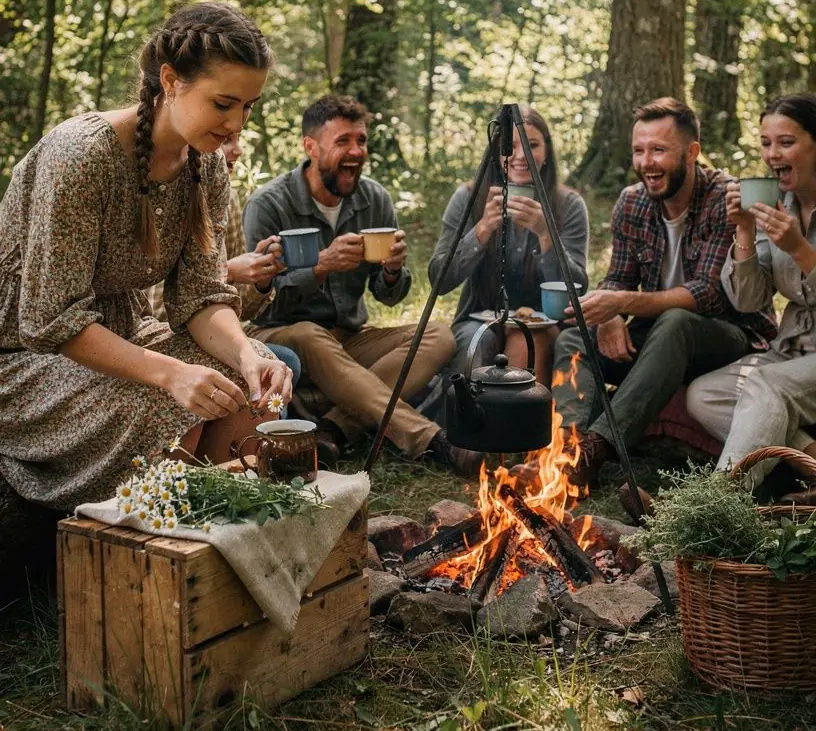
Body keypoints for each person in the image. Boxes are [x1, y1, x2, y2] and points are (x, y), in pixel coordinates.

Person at [0, 2, 292, 511]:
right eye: (223, 103)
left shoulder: (207, 167)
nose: (236, 125)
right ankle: (149, 547)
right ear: (170, 80)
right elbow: (49, 319)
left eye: (248, 106)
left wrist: (247, 355)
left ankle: (209, 536)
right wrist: (171, 374)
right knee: (164, 401)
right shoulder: (80, 156)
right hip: (24, 354)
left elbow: (202, 299)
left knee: (256, 381)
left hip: (122, 332)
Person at [551, 97, 776, 493]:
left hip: (731, 335)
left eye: (658, 150)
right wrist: (611, 314)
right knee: (573, 337)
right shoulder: (632, 201)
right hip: (659, 337)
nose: (646, 162)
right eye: (639, 151)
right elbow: (619, 277)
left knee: (677, 322)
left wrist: (622, 304)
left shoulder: (724, 198)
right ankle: (565, 453)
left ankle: (596, 451)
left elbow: (709, 295)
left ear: (692, 153)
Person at [242, 94, 469, 472]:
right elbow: (259, 301)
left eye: (361, 141)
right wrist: (321, 267)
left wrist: (393, 271)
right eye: (343, 141)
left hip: (347, 338)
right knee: (309, 333)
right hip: (279, 334)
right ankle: (429, 438)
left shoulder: (373, 199)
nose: (356, 151)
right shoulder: (269, 204)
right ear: (311, 147)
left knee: (440, 335)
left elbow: (390, 296)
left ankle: (334, 428)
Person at [687, 94, 816, 486]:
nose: (772, 154)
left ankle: (720, 501)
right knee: (705, 395)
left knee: (766, 385)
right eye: (765, 143)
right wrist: (743, 230)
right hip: (793, 350)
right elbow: (748, 300)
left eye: (786, 142)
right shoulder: (778, 205)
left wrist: (800, 250)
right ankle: (810, 459)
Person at [428, 106, 589, 381]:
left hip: (545, 323)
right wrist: (483, 229)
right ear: (495, 152)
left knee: (527, 340)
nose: (520, 156)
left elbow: (576, 290)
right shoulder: (469, 198)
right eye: (509, 146)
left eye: (532, 145)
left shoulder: (568, 205)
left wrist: (545, 234)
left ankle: (515, 423)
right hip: (478, 318)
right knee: (474, 344)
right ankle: (462, 420)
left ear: (547, 151)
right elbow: (439, 280)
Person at [149, 129, 302, 393]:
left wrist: (261, 279)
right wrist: (227, 271)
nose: (237, 149)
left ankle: (270, 434)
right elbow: (156, 310)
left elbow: (240, 311)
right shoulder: (164, 198)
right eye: (226, 139)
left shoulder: (226, 199)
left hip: (213, 337)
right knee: (280, 359)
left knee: (284, 362)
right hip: (159, 341)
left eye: (239, 139)